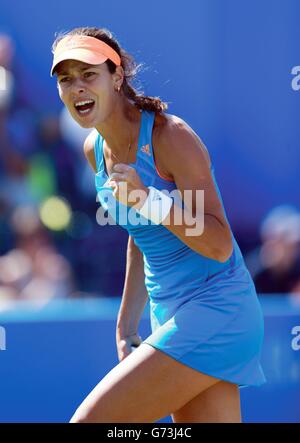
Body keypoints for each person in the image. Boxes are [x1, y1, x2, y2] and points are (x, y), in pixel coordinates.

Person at [50, 26, 266, 423]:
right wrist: (126, 324)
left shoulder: (171, 136)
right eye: (67, 80)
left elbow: (219, 244)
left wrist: (150, 200)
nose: (77, 88)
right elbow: (141, 234)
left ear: (117, 78)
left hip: (217, 310)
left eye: (89, 75)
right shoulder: (93, 150)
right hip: (168, 313)